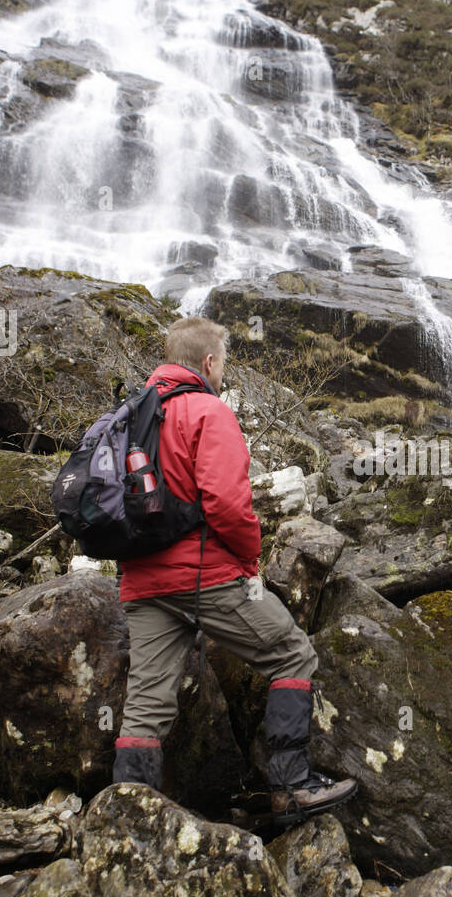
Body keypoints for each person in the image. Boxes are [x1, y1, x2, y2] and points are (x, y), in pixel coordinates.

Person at [113, 315, 357, 827]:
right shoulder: (208, 411)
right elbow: (226, 502)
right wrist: (250, 561)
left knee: (144, 708)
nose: (224, 372)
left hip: (142, 581)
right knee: (292, 654)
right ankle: (291, 787)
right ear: (208, 362)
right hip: (206, 577)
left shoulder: (131, 414)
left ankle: (126, 822)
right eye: (223, 362)